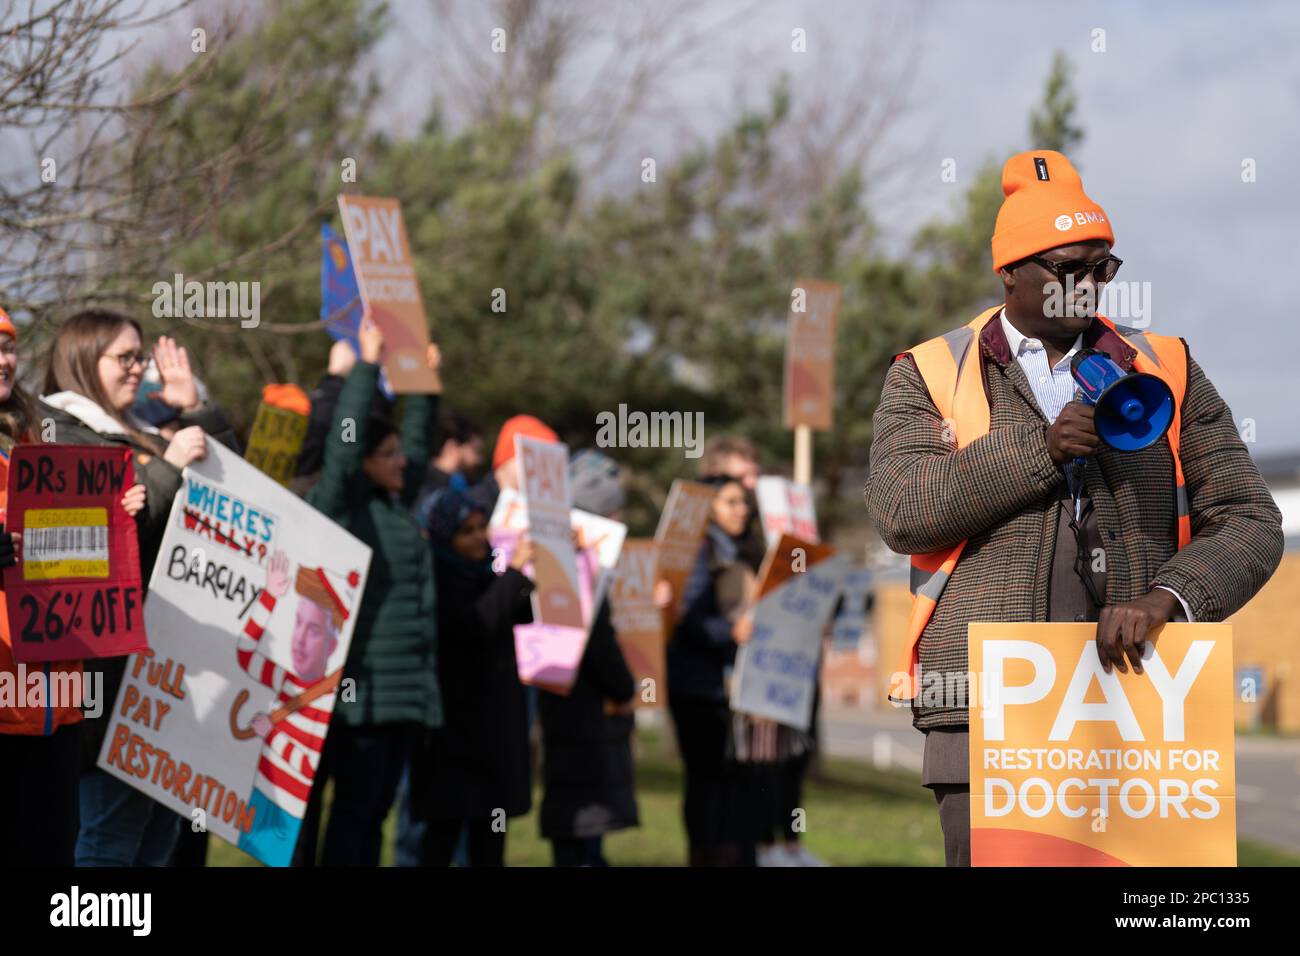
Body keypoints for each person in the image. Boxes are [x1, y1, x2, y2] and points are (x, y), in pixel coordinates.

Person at [863, 149, 1284, 866]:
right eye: (1068, 267)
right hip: (986, 711)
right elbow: (903, 508)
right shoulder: (930, 371)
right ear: (1010, 273)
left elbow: (1251, 520)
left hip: (1137, 705)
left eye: (1103, 266)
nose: (1088, 286)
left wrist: (1167, 601)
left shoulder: (1166, 368)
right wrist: (1039, 450)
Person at [37, 311, 235, 866]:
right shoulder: (62, 432)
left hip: (168, 679)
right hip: (110, 682)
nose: (138, 368)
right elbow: (102, 547)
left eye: (140, 357)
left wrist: (193, 406)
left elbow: (232, 494)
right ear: (82, 360)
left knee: (157, 843)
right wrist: (167, 466)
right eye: (123, 357)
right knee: (107, 840)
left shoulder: (147, 428)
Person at [0, 308, 145, 866]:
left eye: (10, 346)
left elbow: (70, 542)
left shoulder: (42, 434)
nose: (4, 360)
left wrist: (117, 516)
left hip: (56, 702)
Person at [304, 314, 443, 866]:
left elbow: (414, 443)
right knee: (339, 822)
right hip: (351, 700)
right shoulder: (342, 505)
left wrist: (422, 384)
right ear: (363, 460)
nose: (401, 462)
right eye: (386, 455)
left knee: (370, 820)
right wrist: (366, 364)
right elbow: (345, 444)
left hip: (398, 700)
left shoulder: (396, 507)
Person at [410, 488, 535, 866]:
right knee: (444, 831)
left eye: (482, 527)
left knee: (490, 833)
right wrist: (512, 574)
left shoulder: (484, 573)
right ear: (446, 536)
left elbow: (521, 613)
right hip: (453, 734)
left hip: (492, 734)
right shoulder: (436, 579)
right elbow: (476, 623)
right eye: (467, 531)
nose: (479, 537)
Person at [538, 450, 639, 866]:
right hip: (584, 713)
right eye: (613, 514)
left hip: (568, 709)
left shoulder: (564, 563)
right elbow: (598, 640)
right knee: (582, 824)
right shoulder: (582, 570)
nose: (619, 523)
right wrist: (625, 686)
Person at [233, 550, 358, 867]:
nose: (299, 638)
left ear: (333, 642)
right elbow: (246, 653)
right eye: (298, 623)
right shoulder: (285, 678)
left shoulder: (325, 697)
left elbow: (306, 763)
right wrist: (270, 597)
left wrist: (273, 736)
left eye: (313, 630)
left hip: (290, 807)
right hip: (265, 796)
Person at [665, 473, 760, 866]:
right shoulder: (699, 552)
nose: (742, 510)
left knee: (727, 778)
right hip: (696, 686)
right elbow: (685, 616)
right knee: (706, 778)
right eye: (731, 502)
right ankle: (707, 854)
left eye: (743, 502)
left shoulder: (734, 550)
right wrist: (732, 631)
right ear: (707, 508)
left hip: (721, 685)